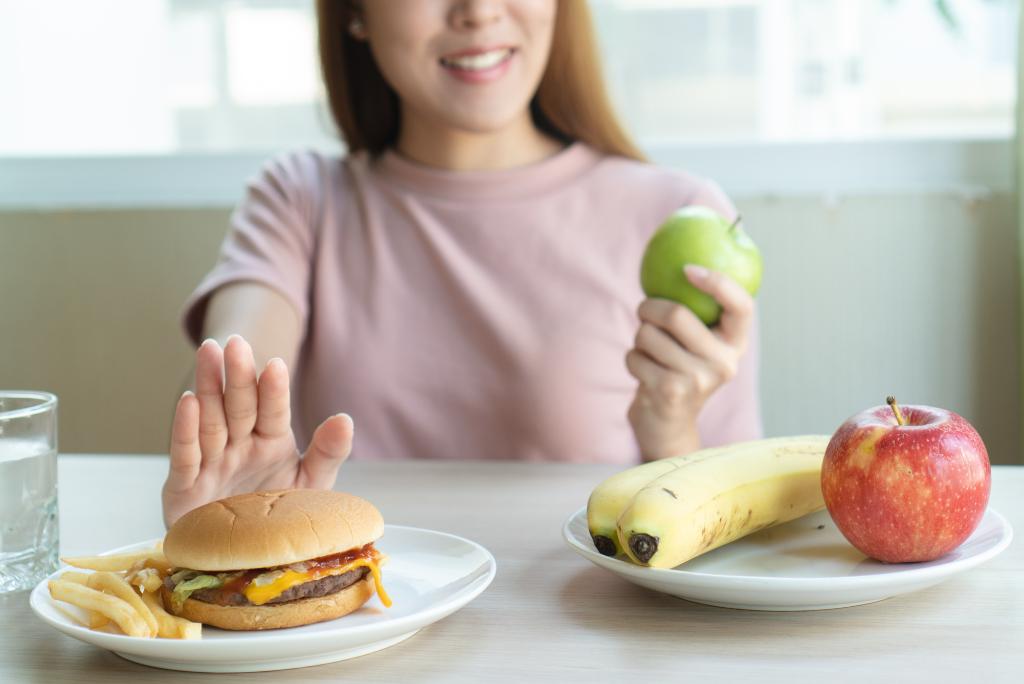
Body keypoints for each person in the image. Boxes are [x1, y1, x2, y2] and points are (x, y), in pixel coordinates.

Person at [162, 0, 761, 527]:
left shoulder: (682, 212)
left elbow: (732, 532)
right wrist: (232, 487)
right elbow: (230, 390)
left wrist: (670, 434)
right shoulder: (301, 200)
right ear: (354, 12)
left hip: (587, 636)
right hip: (359, 628)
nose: (477, 10)